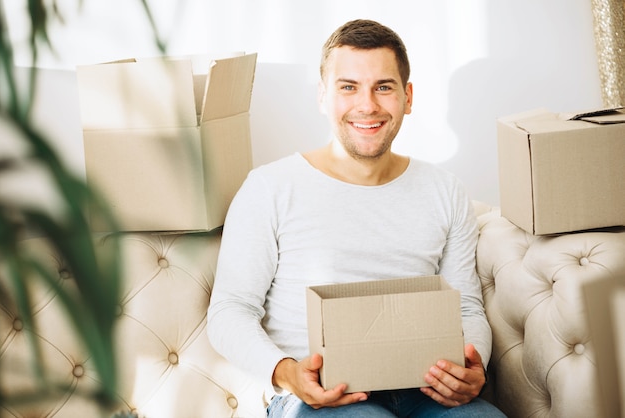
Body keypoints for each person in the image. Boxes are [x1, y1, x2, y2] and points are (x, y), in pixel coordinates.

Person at [207, 19, 506, 418]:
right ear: (323, 97)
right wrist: (288, 374)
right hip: (320, 398)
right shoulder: (269, 188)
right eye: (348, 87)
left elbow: (466, 308)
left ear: (408, 97)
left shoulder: (444, 190)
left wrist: (474, 365)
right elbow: (230, 311)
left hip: (425, 389)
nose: (367, 105)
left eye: (383, 87)